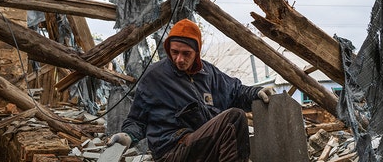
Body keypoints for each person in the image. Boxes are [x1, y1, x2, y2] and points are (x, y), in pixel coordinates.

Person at [108, 18, 275, 161]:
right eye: (174, 52)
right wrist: (128, 136)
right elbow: (137, 120)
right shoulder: (154, 77)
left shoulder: (209, 73)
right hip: (172, 151)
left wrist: (256, 92)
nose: (179, 59)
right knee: (234, 117)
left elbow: (235, 91)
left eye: (186, 53)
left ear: (197, 51)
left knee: (233, 118)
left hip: (203, 145)